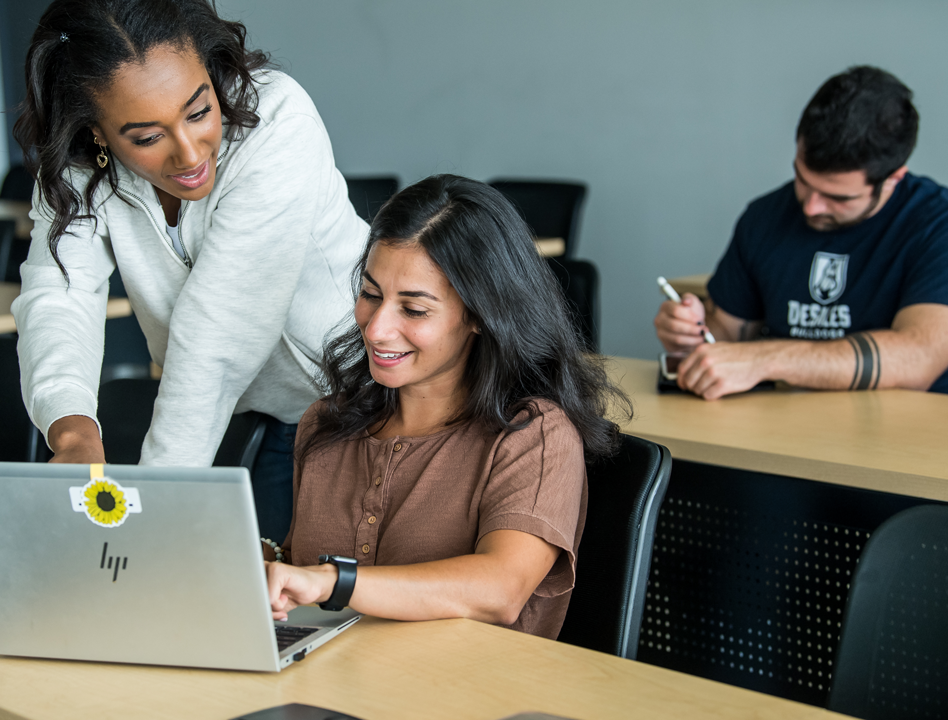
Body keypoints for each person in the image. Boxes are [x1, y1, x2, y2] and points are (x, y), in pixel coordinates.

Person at [11, 0, 368, 539]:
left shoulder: (276, 119)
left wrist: (153, 508)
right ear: (98, 133)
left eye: (199, 112)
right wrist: (74, 433)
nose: (189, 153)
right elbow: (58, 295)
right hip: (264, 415)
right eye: (147, 137)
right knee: (267, 598)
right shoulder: (79, 171)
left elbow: (217, 333)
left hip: (375, 400)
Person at [262, 175, 630, 639]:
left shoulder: (534, 435)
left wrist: (331, 582)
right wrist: (265, 564)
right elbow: (300, 570)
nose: (375, 329)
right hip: (332, 689)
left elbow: (500, 590)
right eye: (371, 295)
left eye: (414, 310)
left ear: (480, 314)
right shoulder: (328, 422)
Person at [654, 66, 948, 399]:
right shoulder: (765, 216)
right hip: (780, 423)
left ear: (893, 179)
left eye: (838, 197)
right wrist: (691, 333)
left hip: (911, 432)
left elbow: (917, 359)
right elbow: (728, 333)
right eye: (802, 179)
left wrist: (766, 359)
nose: (811, 207)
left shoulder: (943, 227)